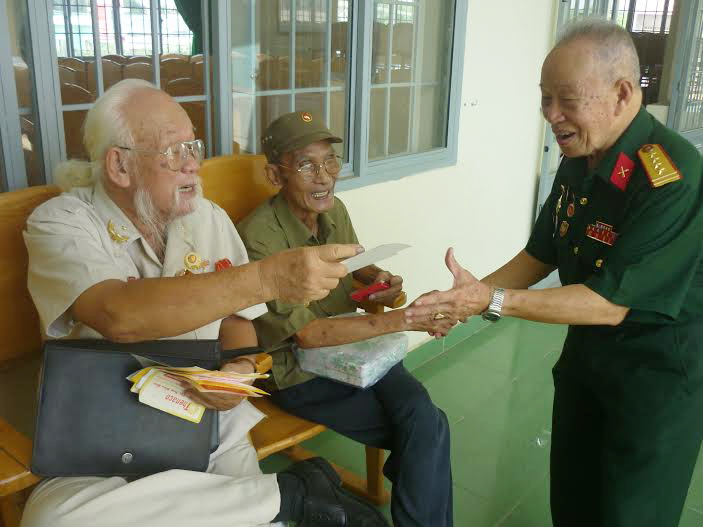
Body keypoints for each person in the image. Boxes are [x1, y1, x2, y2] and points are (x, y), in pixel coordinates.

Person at [20, 79, 389, 527]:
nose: (194, 164)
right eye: (174, 151)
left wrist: (240, 368)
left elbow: (237, 322)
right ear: (120, 165)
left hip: (204, 413)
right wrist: (267, 278)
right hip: (104, 424)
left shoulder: (206, 217)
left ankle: (274, 500)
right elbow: (118, 315)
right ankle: (287, 495)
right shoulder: (62, 222)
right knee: (51, 520)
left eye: (193, 147)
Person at [406, 19, 703, 527]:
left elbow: (610, 304)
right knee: (572, 491)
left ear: (622, 93)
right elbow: (539, 254)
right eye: (545, 98)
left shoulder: (670, 175)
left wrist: (490, 301)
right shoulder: (581, 156)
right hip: (588, 359)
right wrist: (467, 296)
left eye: (567, 99)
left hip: (654, 378)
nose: (551, 115)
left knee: (631, 510)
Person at [237, 111, 456, 527]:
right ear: (275, 175)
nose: (324, 177)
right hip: (298, 372)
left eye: (330, 161)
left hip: (357, 352)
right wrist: (406, 318)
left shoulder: (334, 209)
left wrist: (378, 278)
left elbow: (352, 265)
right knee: (428, 428)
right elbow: (307, 335)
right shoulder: (257, 238)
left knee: (424, 421)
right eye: (306, 165)